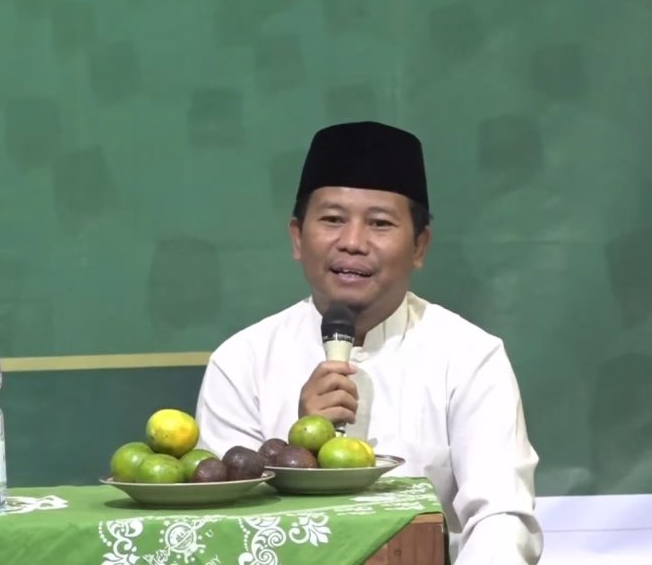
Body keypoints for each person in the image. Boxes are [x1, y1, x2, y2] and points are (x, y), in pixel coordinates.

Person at [194, 120, 543, 563]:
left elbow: (502, 515)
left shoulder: (470, 357)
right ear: (298, 237)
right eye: (333, 220)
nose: (353, 242)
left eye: (379, 223)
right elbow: (223, 527)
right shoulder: (242, 361)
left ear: (419, 246)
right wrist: (299, 447)